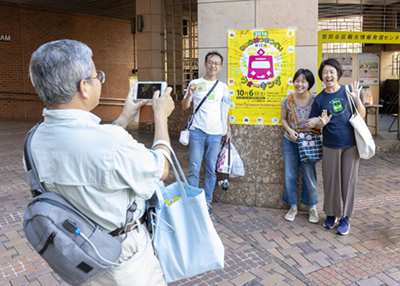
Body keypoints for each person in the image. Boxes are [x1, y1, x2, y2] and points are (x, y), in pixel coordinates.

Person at [28, 39, 174, 285]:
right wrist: (161, 117)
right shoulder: (110, 142)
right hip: (124, 260)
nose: (99, 81)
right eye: (97, 77)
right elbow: (161, 168)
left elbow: (93, 152)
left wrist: (126, 115)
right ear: (84, 87)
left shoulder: (34, 138)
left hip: (81, 256)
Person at [307, 58, 365, 236]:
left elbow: (361, 115)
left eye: (332, 71)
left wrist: (357, 99)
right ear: (321, 76)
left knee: (348, 182)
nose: (328, 75)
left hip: (351, 145)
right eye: (325, 72)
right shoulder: (320, 98)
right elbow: (313, 123)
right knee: (331, 181)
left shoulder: (348, 91)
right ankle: (331, 215)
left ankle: (345, 218)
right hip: (330, 145)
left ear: (338, 73)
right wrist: (320, 122)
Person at [181, 51, 231, 216]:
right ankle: (192, 201)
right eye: (210, 62)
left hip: (216, 133)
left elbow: (225, 110)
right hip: (197, 132)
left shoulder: (222, 87)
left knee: (211, 168)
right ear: (205, 64)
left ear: (220, 67)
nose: (213, 66)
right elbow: (184, 107)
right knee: (194, 167)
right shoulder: (195, 83)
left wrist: (228, 130)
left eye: (216, 63)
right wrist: (189, 94)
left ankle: (207, 201)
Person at [280, 69, 321, 224]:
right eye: (297, 80)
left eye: (304, 81)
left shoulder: (316, 100)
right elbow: (283, 119)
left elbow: (323, 117)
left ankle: (312, 207)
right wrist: (290, 131)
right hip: (290, 140)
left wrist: (316, 120)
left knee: (309, 175)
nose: (300, 84)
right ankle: (293, 206)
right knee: (290, 174)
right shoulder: (287, 100)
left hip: (309, 142)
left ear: (309, 83)